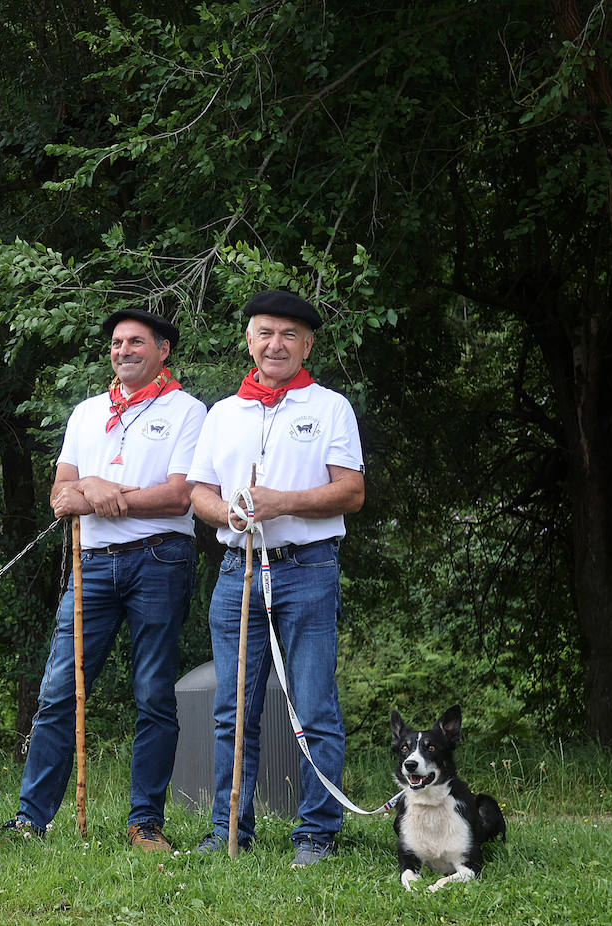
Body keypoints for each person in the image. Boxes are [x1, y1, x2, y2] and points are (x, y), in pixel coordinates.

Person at [0, 308, 205, 852]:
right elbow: (61, 494)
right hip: (91, 564)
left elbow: (181, 494)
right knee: (58, 690)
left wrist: (109, 497)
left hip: (160, 559)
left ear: (163, 350)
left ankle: (144, 823)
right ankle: (29, 820)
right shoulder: (88, 413)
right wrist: (91, 483)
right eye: (116, 342)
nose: (123, 350)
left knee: (154, 693)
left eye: (136, 342)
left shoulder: (187, 410)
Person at [186, 289, 364, 866]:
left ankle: (316, 833)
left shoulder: (330, 406)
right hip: (237, 571)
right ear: (249, 340)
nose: (276, 344)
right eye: (265, 332)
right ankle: (228, 829)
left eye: (289, 335)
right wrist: (230, 513)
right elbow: (198, 494)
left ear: (307, 343)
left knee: (314, 707)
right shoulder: (222, 413)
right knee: (232, 709)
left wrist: (279, 502)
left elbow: (351, 491)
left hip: (308, 570)